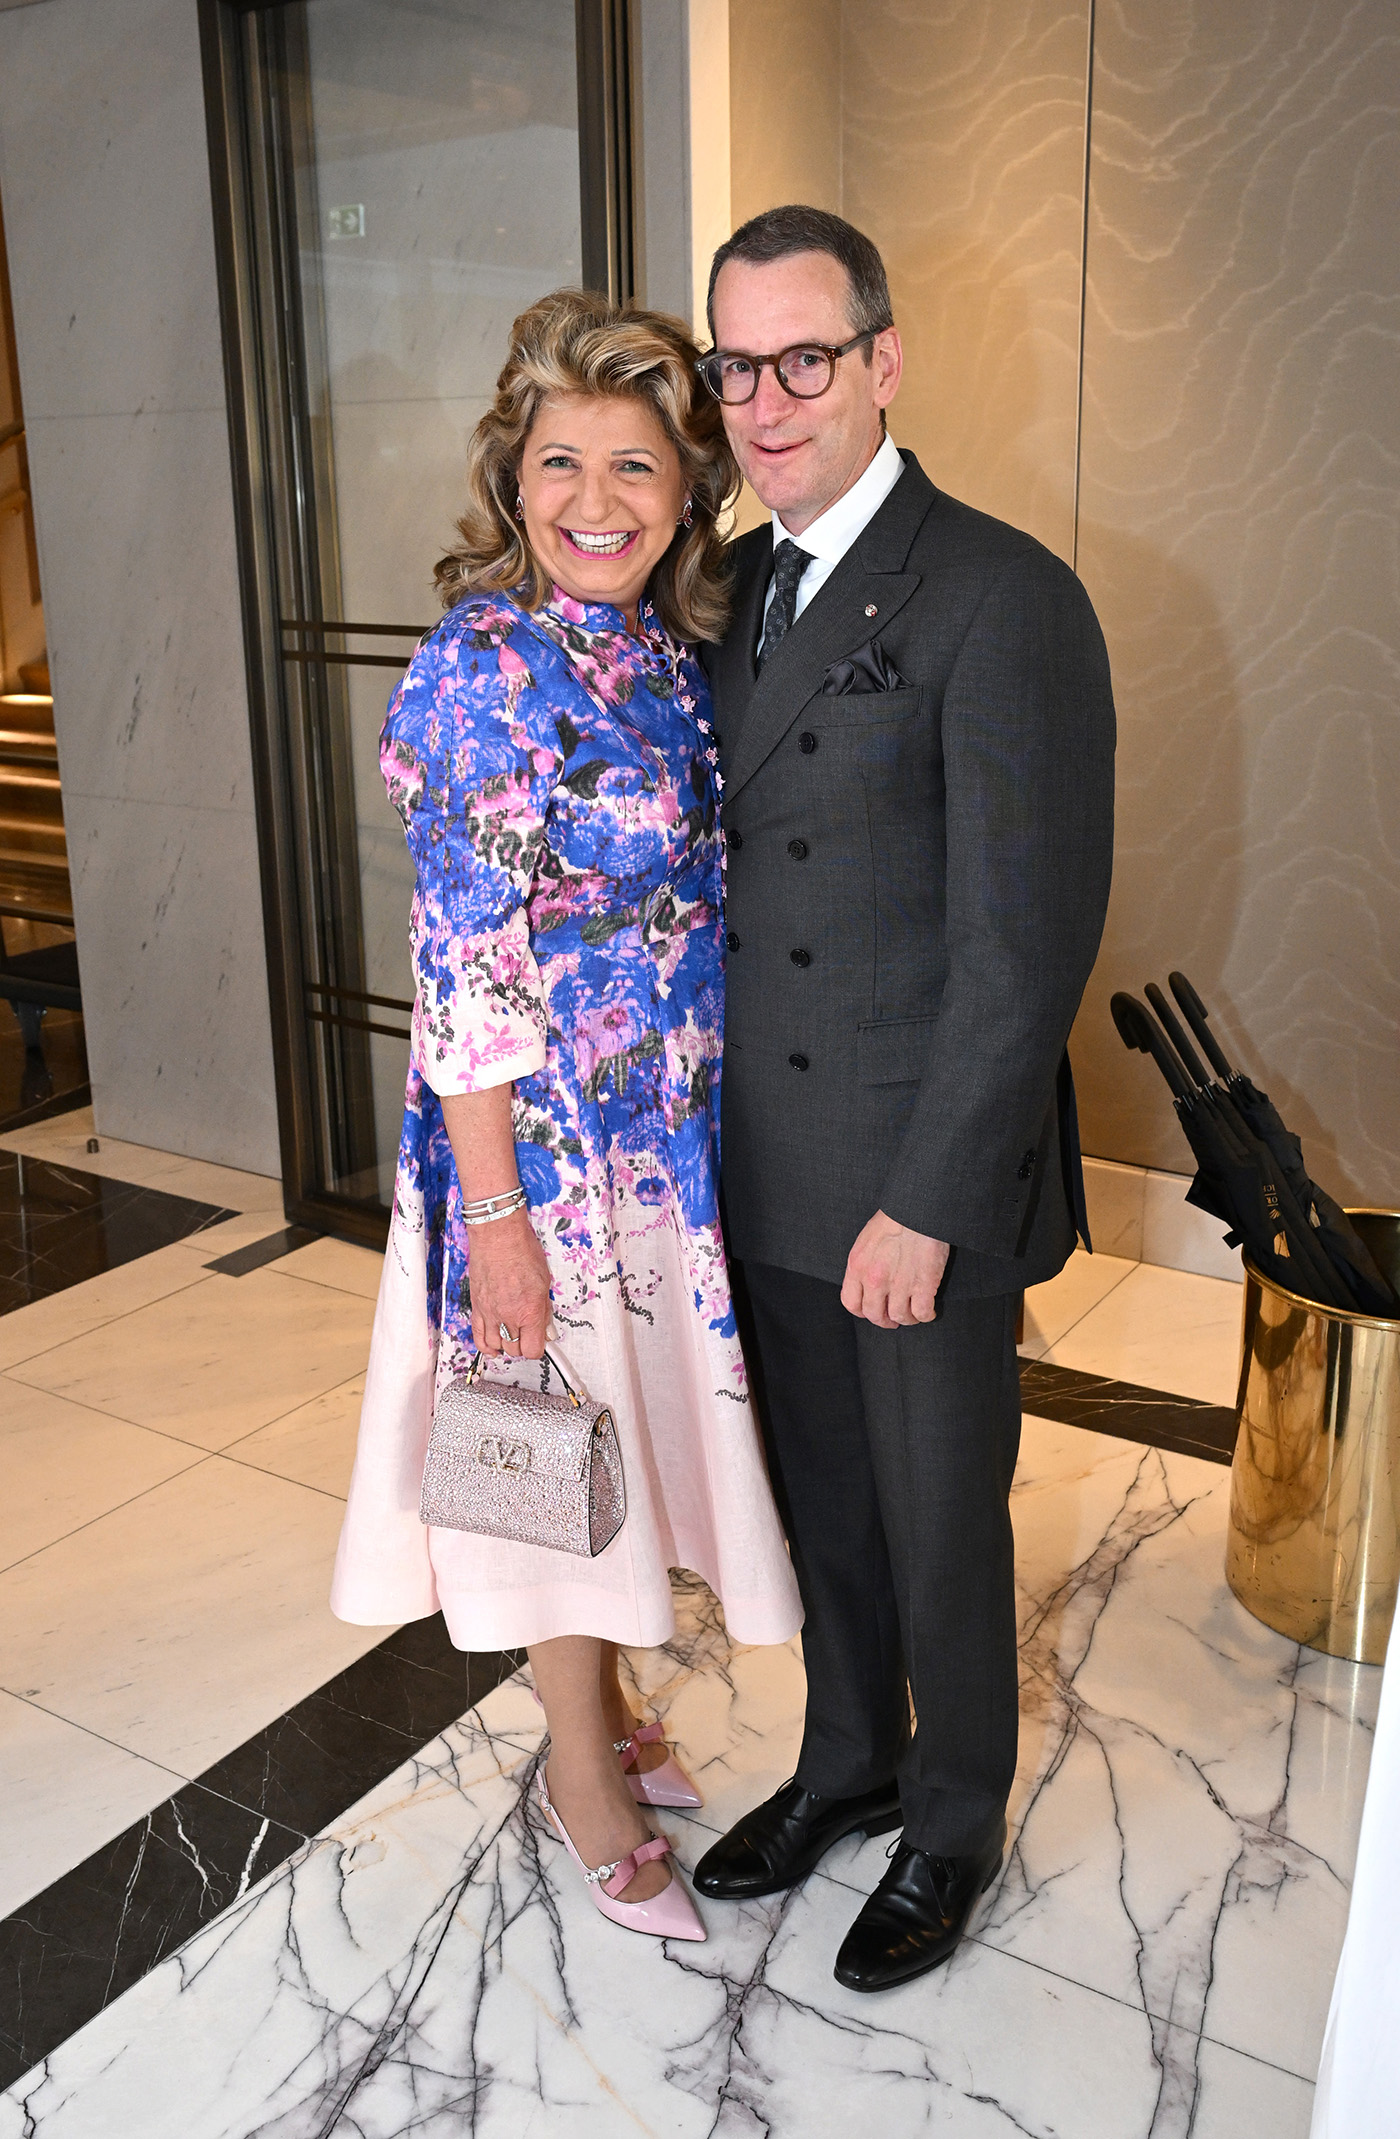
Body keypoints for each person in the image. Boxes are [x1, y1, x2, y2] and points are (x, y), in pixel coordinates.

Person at [330, 290, 802, 1946]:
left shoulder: (665, 659)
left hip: (664, 1140)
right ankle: (581, 1776)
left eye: (635, 467)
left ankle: (610, 1712)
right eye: (560, 465)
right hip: (541, 1160)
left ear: (687, 491)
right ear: (510, 480)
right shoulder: (483, 667)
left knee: (625, 1448)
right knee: (553, 1469)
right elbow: (460, 964)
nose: (596, 502)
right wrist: (500, 1223)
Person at [690, 206, 1116, 1991]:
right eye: (737, 366)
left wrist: (929, 1201)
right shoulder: (727, 591)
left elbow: (1027, 947)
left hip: (910, 1175)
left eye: (805, 358)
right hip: (766, 1162)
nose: (768, 401)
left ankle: (951, 1822)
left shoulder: (1003, 594)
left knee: (942, 1525)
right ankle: (848, 1762)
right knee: (826, 1509)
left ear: (883, 361)